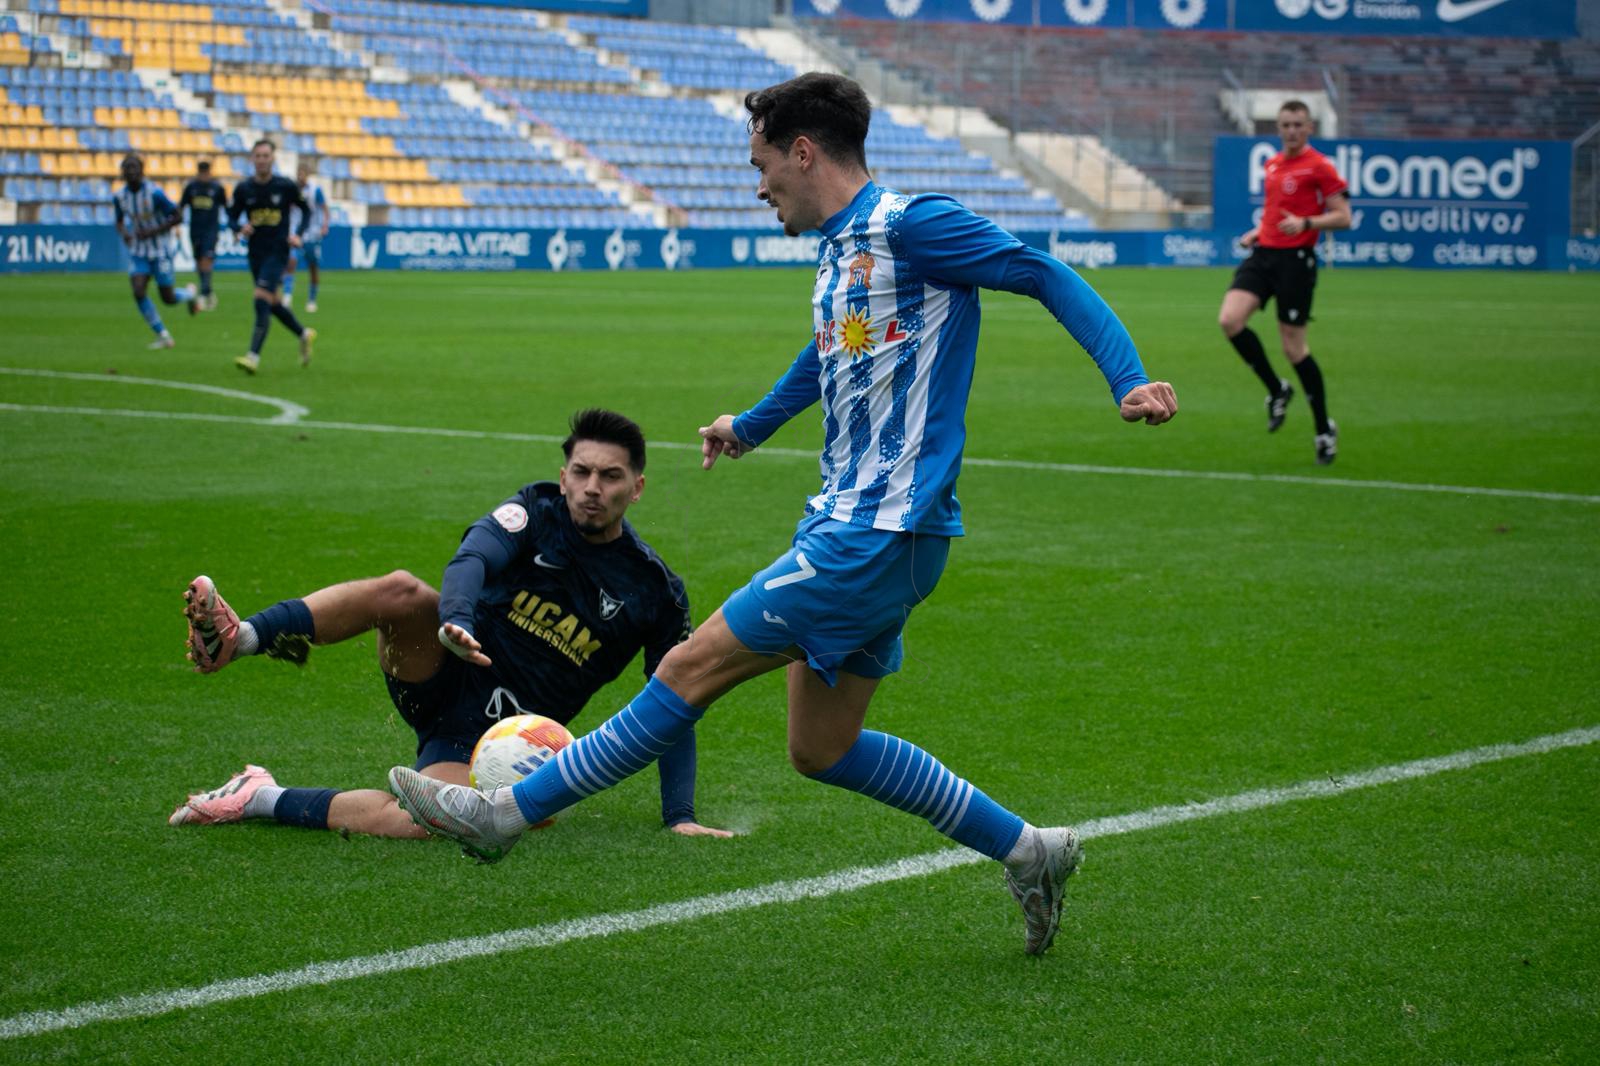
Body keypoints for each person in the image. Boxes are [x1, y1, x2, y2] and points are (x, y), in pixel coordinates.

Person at [387, 73, 1177, 956]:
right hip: (868, 532)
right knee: (823, 748)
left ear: (804, 152)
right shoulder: (841, 253)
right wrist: (751, 426)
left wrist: (1126, 375)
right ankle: (1029, 850)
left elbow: (1037, 269)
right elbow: (830, 352)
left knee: (689, 665)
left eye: (763, 164)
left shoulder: (912, 227)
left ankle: (503, 815)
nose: (757, 184)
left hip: (877, 533)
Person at [171, 409, 729, 841]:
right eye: (581, 472)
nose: (592, 487)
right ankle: (239, 637)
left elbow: (674, 698)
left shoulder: (655, 591)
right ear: (563, 477)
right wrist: (456, 622)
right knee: (402, 591)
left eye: (610, 476)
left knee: (428, 821)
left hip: (495, 742)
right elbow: (472, 559)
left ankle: (258, 795)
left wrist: (679, 814)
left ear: (637, 487)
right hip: (444, 669)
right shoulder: (535, 510)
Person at [1218, 99, 1351, 465]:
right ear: (1278, 129)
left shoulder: (1319, 166)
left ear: (1310, 128)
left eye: (1298, 125)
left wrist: (1308, 223)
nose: (1291, 131)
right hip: (1265, 255)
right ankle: (1277, 389)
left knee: (1294, 349)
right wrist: (1257, 231)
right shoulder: (1273, 164)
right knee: (1230, 321)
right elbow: (1276, 214)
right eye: (1285, 125)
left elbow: (1344, 217)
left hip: (1297, 262)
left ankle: (1324, 428)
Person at [228, 139, 316, 374]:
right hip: (255, 251)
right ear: (252, 159)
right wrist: (238, 229)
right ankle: (303, 334)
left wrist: (298, 234)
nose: (262, 160)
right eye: (258, 156)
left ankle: (253, 356)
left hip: (278, 251)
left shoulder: (285, 186)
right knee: (273, 302)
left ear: (273, 159)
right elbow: (231, 216)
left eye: (266, 156)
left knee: (260, 298)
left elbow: (306, 210)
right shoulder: (244, 189)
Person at [111, 153, 197, 349]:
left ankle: (189, 294)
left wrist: (153, 231)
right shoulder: (120, 197)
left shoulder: (154, 194)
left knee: (168, 298)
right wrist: (125, 233)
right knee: (138, 290)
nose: (131, 171)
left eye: (134, 167)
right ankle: (163, 334)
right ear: (122, 173)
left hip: (161, 250)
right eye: (127, 168)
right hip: (139, 251)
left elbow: (177, 216)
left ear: (142, 170)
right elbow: (118, 220)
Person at [281, 158, 329, 313]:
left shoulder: (315, 190)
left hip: (312, 233)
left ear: (307, 175)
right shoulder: (291, 189)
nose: (300, 176)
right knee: (291, 262)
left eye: (303, 174)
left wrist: (324, 225)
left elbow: (324, 208)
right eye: (298, 173)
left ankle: (312, 299)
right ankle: (287, 297)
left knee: (313, 267)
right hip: (294, 232)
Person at [179, 159, 227, 311]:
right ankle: (208, 290)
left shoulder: (217, 188)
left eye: (205, 173)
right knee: (199, 261)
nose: (203, 176)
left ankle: (203, 295)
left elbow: (227, 206)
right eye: (201, 173)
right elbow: (181, 206)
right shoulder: (191, 187)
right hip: (195, 229)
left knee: (206, 259)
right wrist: (177, 225)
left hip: (211, 229)